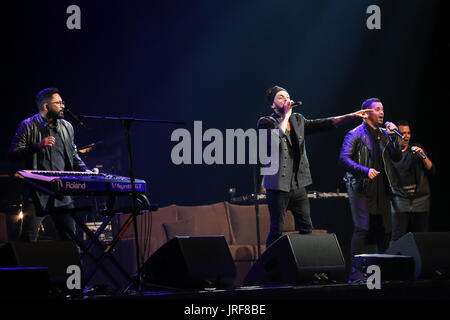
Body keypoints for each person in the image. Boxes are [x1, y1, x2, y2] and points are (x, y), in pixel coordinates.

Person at [258, 85, 370, 248]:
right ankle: (269, 267)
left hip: (299, 185)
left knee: (307, 227)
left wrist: (351, 116)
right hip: (277, 187)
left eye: (287, 95)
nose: (286, 99)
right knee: (277, 230)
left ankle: (306, 264)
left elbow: (325, 123)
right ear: (272, 105)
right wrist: (286, 116)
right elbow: (276, 140)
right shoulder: (266, 122)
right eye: (280, 97)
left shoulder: (298, 119)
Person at [8, 88, 90, 242]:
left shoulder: (67, 127)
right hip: (37, 193)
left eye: (62, 102)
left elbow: (73, 155)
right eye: (58, 103)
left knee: (70, 239)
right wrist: (37, 146)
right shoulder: (27, 125)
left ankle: (72, 267)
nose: (63, 106)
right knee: (29, 238)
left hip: (62, 192)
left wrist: (86, 171)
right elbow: (13, 154)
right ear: (46, 106)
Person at [338, 97, 403, 280]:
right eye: (377, 109)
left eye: (383, 109)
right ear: (366, 114)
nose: (382, 112)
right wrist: (365, 171)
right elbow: (343, 158)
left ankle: (381, 272)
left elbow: (397, 156)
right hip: (361, 186)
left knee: (384, 230)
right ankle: (356, 272)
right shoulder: (355, 134)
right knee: (362, 229)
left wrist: (393, 135)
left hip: (382, 187)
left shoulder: (384, 134)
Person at [390, 120, 435, 242]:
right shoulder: (391, 152)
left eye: (408, 133)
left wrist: (423, 155)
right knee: (398, 237)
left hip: (420, 199)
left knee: (421, 238)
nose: (406, 136)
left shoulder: (415, 149)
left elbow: (431, 169)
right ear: (397, 133)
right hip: (400, 199)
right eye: (403, 133)